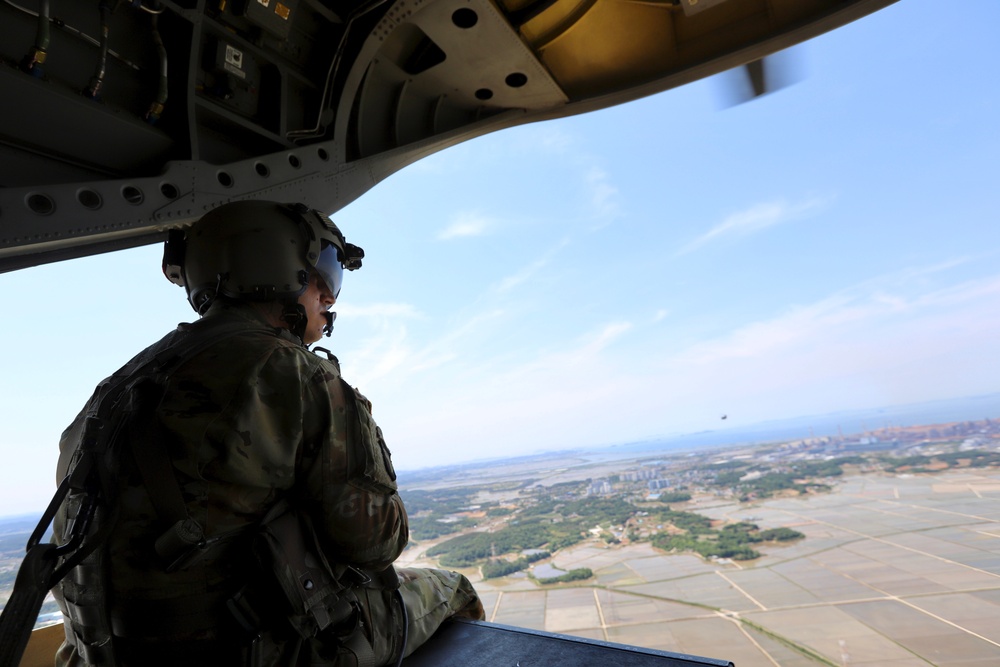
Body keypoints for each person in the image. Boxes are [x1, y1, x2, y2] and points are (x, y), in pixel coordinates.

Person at [51, 201, 483, 667]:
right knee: (451, 587)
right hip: (239, 651)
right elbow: (377, 543)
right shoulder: (292, 372)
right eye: (327, 272)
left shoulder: (123, 382)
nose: (330, 297)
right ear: (281, 266)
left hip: (100, 654)